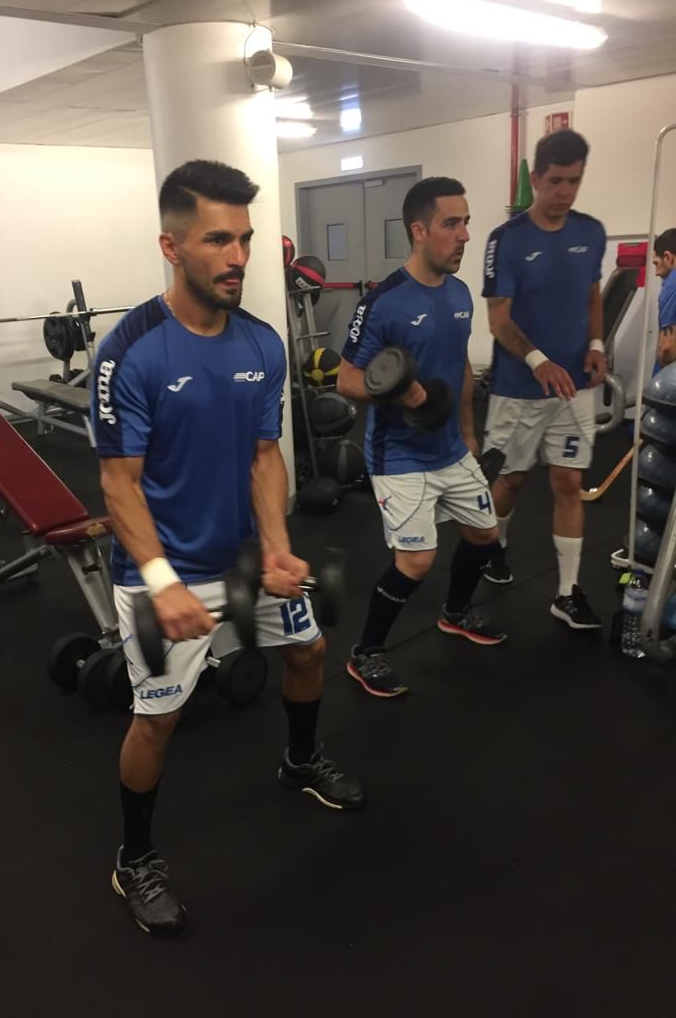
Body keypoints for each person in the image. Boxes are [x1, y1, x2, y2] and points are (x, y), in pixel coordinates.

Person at [91, 159, 363, 938]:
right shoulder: (130, 352)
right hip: (162, 570)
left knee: (309, 651)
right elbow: (118, 485)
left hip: (242, 559)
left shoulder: (262, 342)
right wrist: (161, 580)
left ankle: (300, 762)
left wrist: (276, 547)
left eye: (244, 238)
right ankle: (134, 859)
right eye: (217, 240)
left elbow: (264, 457)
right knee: (158, 721)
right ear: (172, 247)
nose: (238, 256)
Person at [337, 177, 506, 700]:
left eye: (466, 222)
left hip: (450, 448)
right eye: (451, 224)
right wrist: (399, 392)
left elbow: (460, 367)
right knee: (416, 562)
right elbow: (346, 379)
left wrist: (468, 431)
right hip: (399, 455)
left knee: (486, 534)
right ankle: (366, 651)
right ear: (419, 230)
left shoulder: (459, 294)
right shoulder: (382, 301)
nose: (465, 235)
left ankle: (454, 613)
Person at [480, 129, 607, 631]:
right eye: (556, 181)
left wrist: (596, 346)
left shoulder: (591, 232)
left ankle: (567, 592)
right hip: (518, 388)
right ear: (535, 179)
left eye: (574, 181)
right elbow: (498, 319)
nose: (565, 192)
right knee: (510, 479)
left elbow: (593, 297)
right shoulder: (507, 239)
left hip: (574, 387)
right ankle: (495, 547)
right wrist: (539, 361)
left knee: (569, 482)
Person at [653, 228, 676, 368]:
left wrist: (660, 376)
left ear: (668, 257)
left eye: (656, 263)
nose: (656, 273)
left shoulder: (672, 284)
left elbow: (668, 347)